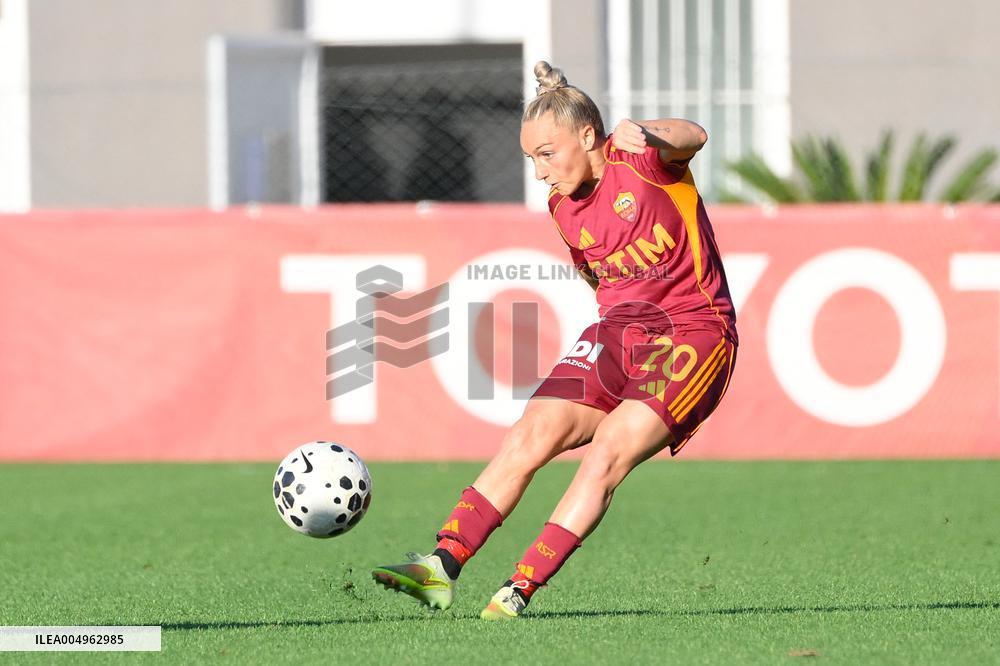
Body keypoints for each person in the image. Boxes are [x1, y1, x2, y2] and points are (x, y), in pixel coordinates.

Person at [372, 61, 738, 619]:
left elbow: (697, 135)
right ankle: (439, 567)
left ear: (588, 136)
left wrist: (651, 131)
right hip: (619, 333)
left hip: (695, 330)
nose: (540, 171)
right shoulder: (563, 207)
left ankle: (518, 589)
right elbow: (597, 274)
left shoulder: (639, 160)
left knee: (608, 450)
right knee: (531, 432)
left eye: (547, 153)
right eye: (531, 159)